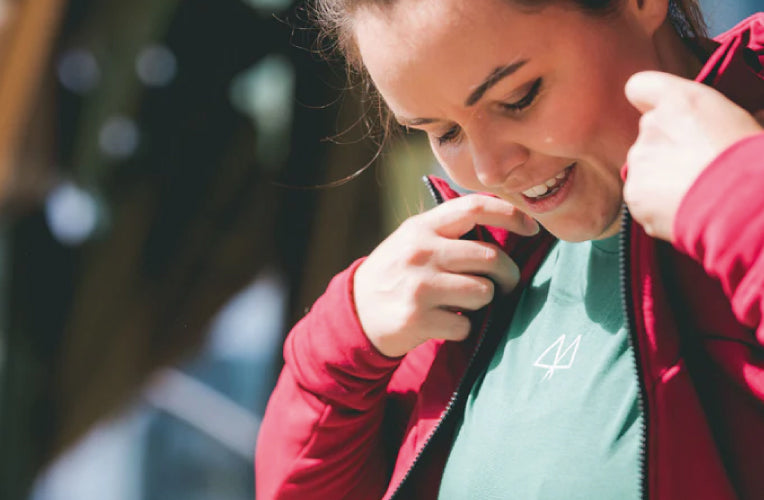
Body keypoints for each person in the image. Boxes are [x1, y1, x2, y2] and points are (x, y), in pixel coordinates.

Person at [256, 0, 764, 498]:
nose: (489, 170)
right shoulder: (480, 274)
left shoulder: (742, 204)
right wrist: (338, 353)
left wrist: (740, 205)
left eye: (519, 97)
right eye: (443, 132)